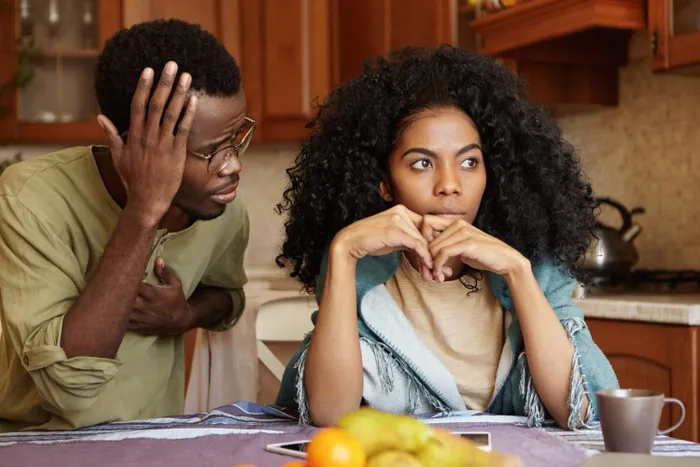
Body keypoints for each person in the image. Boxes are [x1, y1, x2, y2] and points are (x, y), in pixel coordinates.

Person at [274, 45, 619, 429]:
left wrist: (517, 271)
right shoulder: (359, 267)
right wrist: (342, 252)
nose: (450, 185)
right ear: (384, 183)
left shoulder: (536, 262)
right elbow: (330, 414)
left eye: (469, 162)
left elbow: (582, 410)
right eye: (422, 163)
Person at [0, 19, 253, 431]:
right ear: (129, 145)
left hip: (153, 440)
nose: (234, 165)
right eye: (212, 152)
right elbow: (68, 387)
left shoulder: (221, 207)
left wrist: (186, 315)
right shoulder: (30, 198)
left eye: (237, 139)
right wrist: (143, 212)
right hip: (35, 443)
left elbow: (229, 296)